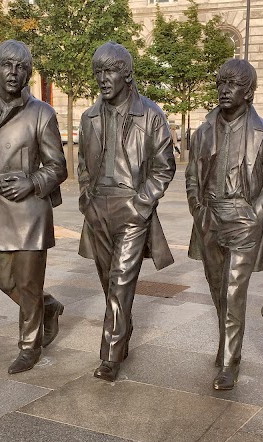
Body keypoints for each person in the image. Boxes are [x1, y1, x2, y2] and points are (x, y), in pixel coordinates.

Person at [0, 40, 67, 374]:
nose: (14, 72)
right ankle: (48, 308)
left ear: (28, 73)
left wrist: (31, 182)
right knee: (5, 281)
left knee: (29, 284)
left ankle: (29, 346)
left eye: (21, 67)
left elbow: (58, 166)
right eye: (7, 64)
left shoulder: (41, 114)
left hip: (29, 212)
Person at [77, 41, 176, 382]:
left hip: (132, 208)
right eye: (98, 72)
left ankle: (110, 355)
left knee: (120, 284)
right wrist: (85, 201)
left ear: (127, 73)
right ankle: (123, 332)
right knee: (109, 284)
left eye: (110, 71)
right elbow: (82, 166)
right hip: (98, 209)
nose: (103, 79)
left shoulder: (151, 115)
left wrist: (142, 203)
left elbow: (164, 167)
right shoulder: (88, 117)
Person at [186, 59, 263, 391]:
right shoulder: (204, 130)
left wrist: (254, 217)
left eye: (232, 85)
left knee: (234, 292)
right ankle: (227, 344)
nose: (223, 90)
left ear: (248, 93)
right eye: (221, 83)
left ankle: (229, 363)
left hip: (243, 219)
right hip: (209, 216)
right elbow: (192, 176)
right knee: (218, 291)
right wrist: (198, 211)